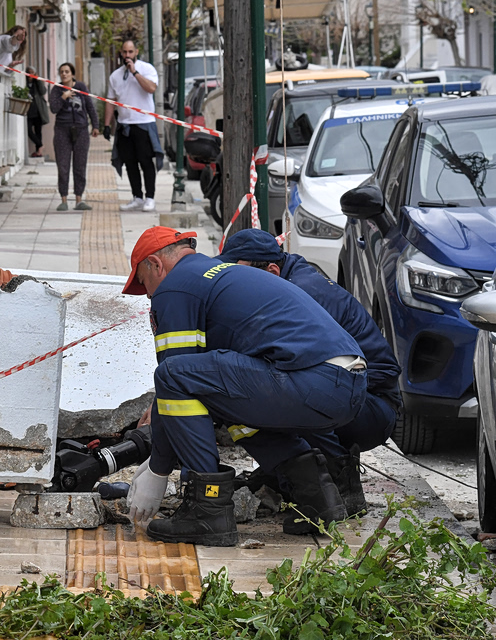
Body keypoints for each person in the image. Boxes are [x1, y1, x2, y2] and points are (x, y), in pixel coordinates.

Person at [123, 226, 367, 546]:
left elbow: (173, 376)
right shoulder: (216, 276)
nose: (150, 295)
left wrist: (157, 469)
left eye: (144, 284)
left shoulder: (176, 287)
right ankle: (317, 497)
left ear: (155, 264)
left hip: (314, 380)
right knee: (228, 405)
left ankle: (207, 511)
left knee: (173, 375)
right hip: (347, 384)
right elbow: (208, 382)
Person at [218, 229, 402, 517]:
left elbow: (379, 370)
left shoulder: (304, 291)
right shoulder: (283, 281)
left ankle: (341, 483)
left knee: (285, 393)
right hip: (354, 395)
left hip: (372, 405)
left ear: (271, 270)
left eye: (240, 276)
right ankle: (286, 473)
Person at [103, 40, 163, 213]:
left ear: (136, 52)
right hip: (124, 125)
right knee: (129, 163)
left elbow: (151, 88)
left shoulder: (147, 69)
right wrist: (107, 125)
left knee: (146, 162)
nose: (127, 55)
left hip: (144, 123)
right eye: (124, 52)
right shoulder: (115, 76)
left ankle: (150, 197)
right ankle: (137, 197)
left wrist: (134, 72)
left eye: (130, 52)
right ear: (121, 54)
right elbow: (110, 101)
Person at [49, 63, 100, 211]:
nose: (64, 74)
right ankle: (63, 199)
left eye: (67, 72)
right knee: (63, 166)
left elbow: (90, 106)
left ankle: (79, 199)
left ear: (72, 74)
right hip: (62, 131)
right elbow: (53, 108)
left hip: (81, 130)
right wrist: (63, 96)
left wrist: (95, 125)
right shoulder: (57, 90)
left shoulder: (81, 87)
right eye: (61, 72)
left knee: (80, 166)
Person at [25, 67, 49, 158]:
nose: (30, 75)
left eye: (32, 73)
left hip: (38, 110)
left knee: (38, 131)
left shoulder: (37, 83)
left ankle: (38, 151)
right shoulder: (25, 83)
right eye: (28, 73)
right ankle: (40, 145)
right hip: (29, 110)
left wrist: (38, 80)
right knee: (29, 130)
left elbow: (43, 91)